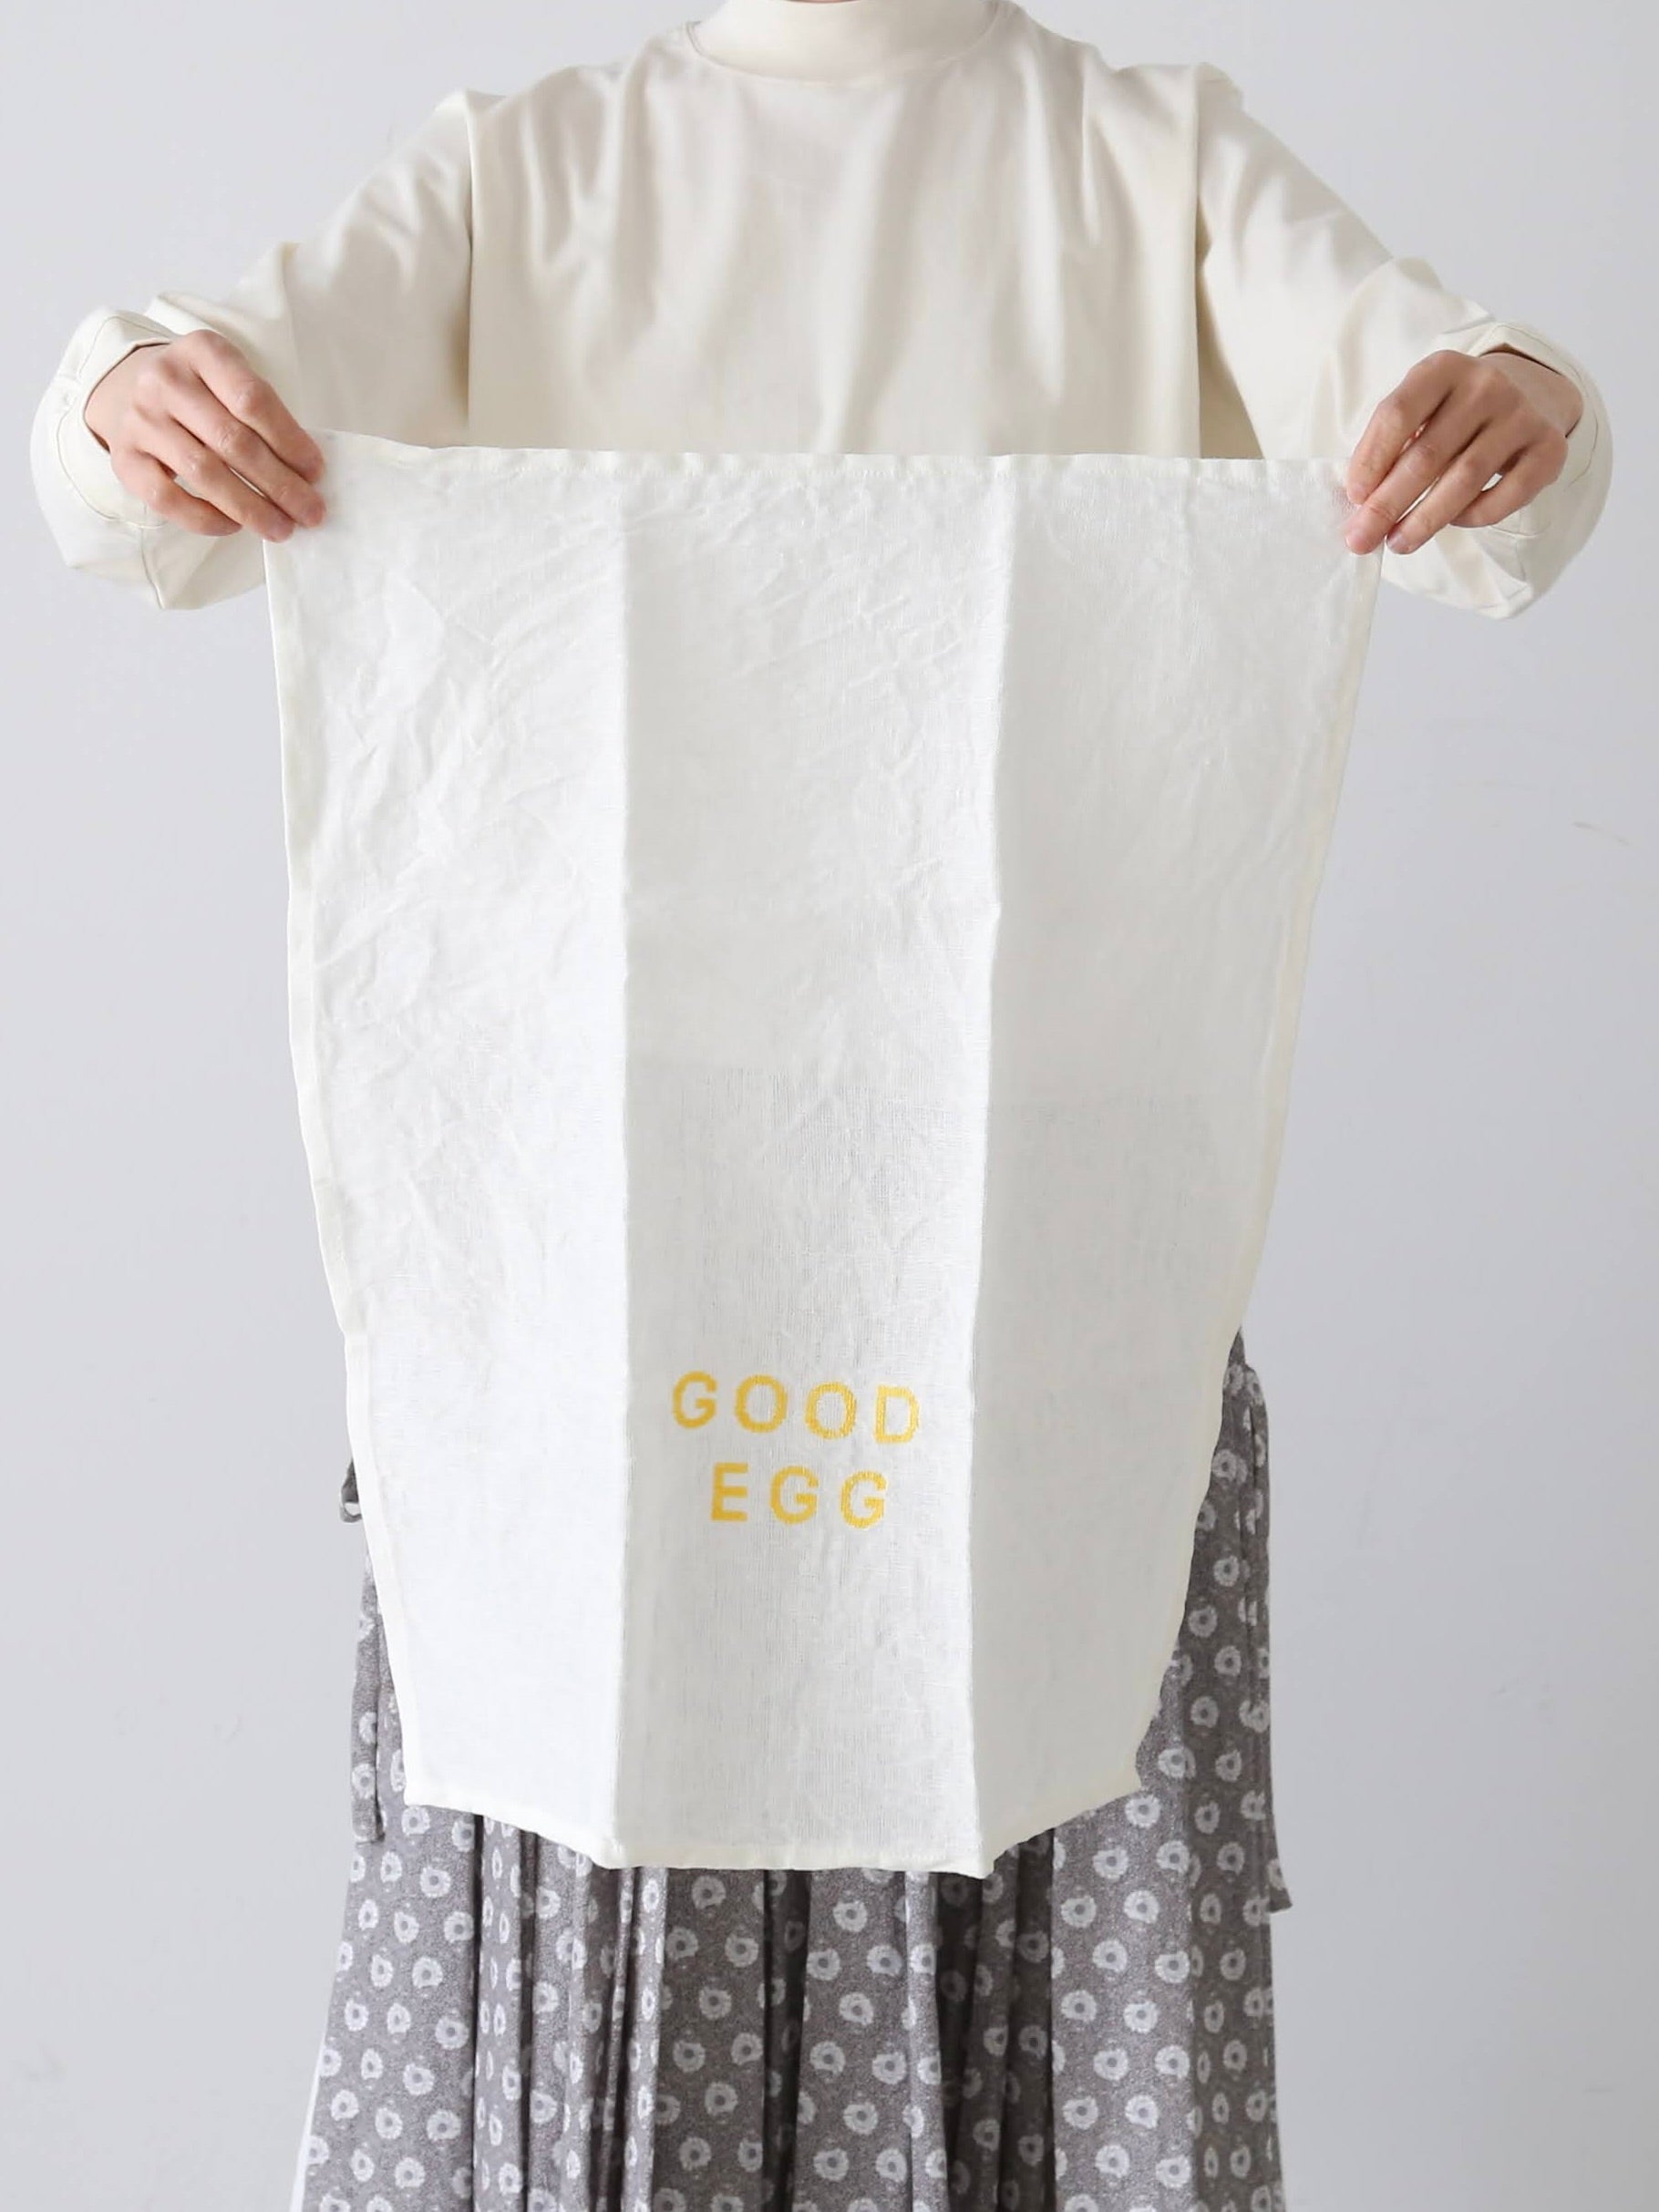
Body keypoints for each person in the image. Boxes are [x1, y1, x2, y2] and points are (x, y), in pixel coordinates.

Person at [29, 4, 1612, 2207]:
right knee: (595, 1785)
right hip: (603, 1214)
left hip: (1043, 1227)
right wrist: (128, 392)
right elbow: (151, 472)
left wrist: (1513, 399)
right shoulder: (528, 167)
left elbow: (1451, 452)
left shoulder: (1147, 157)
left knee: (1034, 1734)